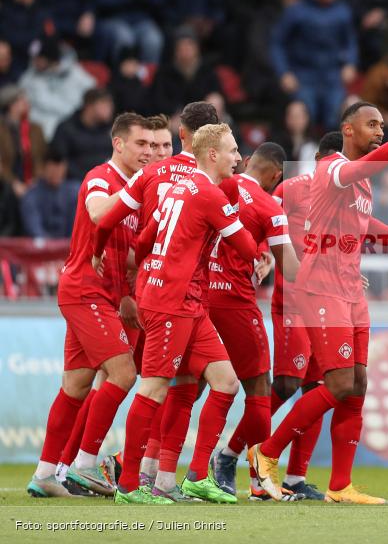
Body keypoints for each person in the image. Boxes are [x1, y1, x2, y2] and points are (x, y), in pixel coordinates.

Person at [249, 96, 388, 504]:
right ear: (348, 130)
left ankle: (340, 486)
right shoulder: (332, 169)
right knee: (335, 383)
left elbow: (365, 224)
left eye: (383, 125)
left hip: (351, 291)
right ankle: (266, 452)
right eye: (372, 125)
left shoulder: (359, 183)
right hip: (321, 289)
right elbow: (366, 167)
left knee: (358, 384)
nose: (379, 131)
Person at [107, 123, 259, 505]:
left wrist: (155, 271)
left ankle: (194, 477)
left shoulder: (179, 186)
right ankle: (129, 485)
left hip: (185, 300)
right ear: (213, 154)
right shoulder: (209, 193)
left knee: (225, 382)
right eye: (232, 151)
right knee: (154, 388)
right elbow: (246, 247)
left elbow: (145, 239)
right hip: (171, 302)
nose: (238, 158)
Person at [90, 102, 218, 501]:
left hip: (155, 290)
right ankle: (126, 471)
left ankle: (143, 471)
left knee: (177, 383)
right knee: (158, 385)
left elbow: (120, 227)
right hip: (169, 297)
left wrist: (115, 258)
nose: (156, 152)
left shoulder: (154, 175)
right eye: (150, 146)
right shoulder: (207, 180)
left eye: (162, 145)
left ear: (180, 137)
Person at [26, 113, 151, 498]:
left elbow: (127, 254)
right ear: (119, 144)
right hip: (86, 290)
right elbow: (98, 212)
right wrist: (132, 194)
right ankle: (83, 464)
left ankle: (44, 474)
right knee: (124, 372)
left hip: (100, 294)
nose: (148, 152)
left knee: (76, 387)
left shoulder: (133, 191)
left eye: (152, 145)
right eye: (141, 144)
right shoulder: (102, 177)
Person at [207, 142, 301, 498]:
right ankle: (251, 474)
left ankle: (145, 468)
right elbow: (292, 270)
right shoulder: (269, 205)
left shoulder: (214, 185)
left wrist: (261, 253)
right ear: (276, 176)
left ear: (246, 161)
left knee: (186, 387)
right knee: (261, 389)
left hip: (197, 296)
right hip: (234, 302)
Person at [256, 132, 342, 502]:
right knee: (288, 384)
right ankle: (235, 451)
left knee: (319, 387)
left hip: (326, 302)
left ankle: (295, 476)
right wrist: (261, 254)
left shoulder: (349, 198)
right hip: (293, 298)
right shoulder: (292, 189)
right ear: (321, 159)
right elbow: (264, 221)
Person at [270, 0, 357, 130]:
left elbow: (350, 41)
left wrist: (350, 63)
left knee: (337, 118)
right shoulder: (296, 11)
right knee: (304, 117)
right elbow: (277, 43)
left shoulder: (342, 11)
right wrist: (284, 72)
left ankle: (334, 147)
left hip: (332, 75)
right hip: (303, 75)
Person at [50, 88, 115, 180]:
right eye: (104, 104)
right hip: (74, 181)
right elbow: (58, 163)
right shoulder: (67, 129)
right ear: (89, 106)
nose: (110, 109)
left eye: (110, 105)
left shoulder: (112, 130)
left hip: (106, 180)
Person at [20, 150, 78, 238]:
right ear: (43, 169)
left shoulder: (74, 192)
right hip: (42, 245)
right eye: (53, 170)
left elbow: (76, 227)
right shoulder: (31, 196)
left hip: (69, 243)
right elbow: (35, 229)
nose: (57, 173)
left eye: (60, 169)